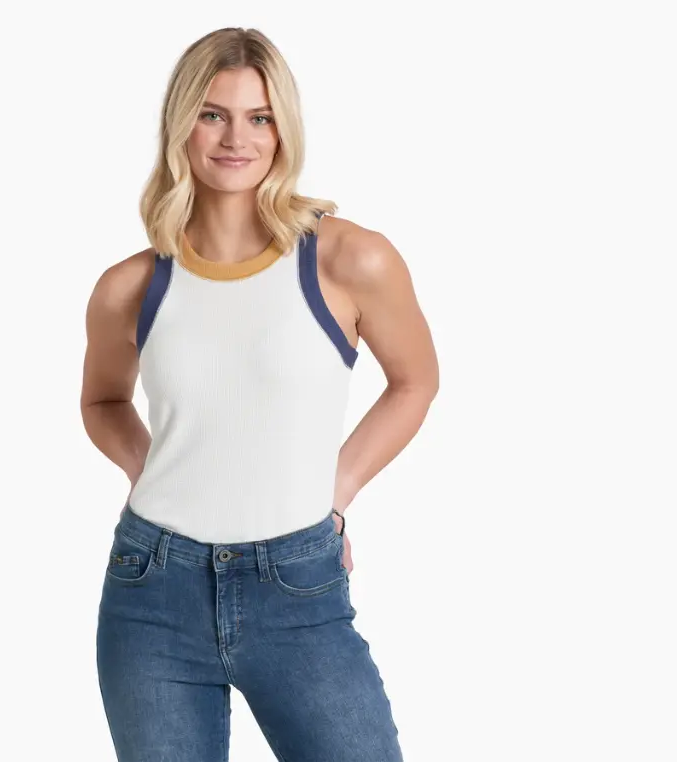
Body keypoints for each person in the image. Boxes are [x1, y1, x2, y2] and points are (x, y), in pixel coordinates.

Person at [80, 26, 439, 762]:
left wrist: (336, 489)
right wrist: (148, 468)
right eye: (212, 114)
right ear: (180, 124)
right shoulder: (130, 286)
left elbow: (416, 381)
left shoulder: (349, 259)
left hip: (298, 585)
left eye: (259, 117)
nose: (236, 138)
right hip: (152, 592)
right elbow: (102, 403)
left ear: (284, 128)